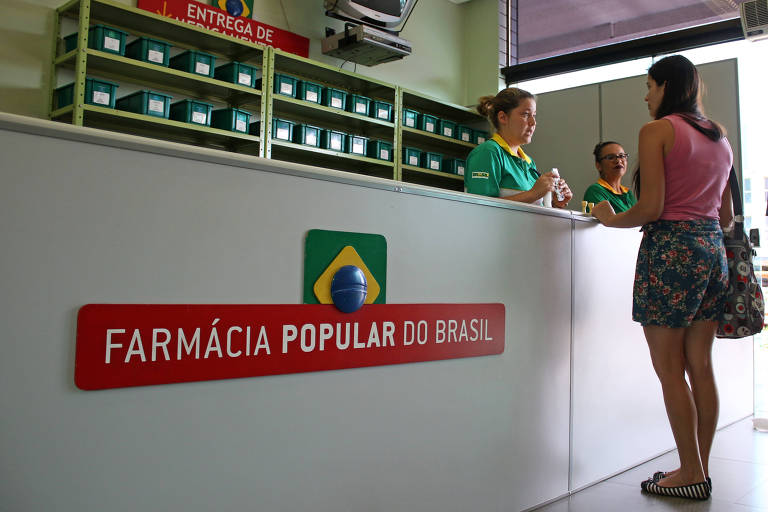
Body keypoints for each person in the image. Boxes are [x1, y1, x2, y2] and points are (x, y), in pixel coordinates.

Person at [592, 55, 733, 501]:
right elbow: (726, 215)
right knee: (701, 369)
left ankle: (689, 471)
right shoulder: (719, 138)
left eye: (650, 86)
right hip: (712, 251)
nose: (646, 95)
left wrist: (607, 217)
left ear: (668, 86)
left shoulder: (657, 131)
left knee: (669, 369)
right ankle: (699, 467)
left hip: (671, 250)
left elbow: (651, 208)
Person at [465, 87, 572, 208]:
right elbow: (480, 207)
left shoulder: (529, 163)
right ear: (503, 117)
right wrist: (533, 194)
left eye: (534, 115)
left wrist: (555, 203)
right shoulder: (488, 152)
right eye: (526, 115)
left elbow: (529, 209)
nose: (533, 122)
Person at [583, 141, 637, 212]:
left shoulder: (628, 194)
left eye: (621, 156)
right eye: (611, 157)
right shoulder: (595, 191)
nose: (618, 161)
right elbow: (609, 221)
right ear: (598, 165)